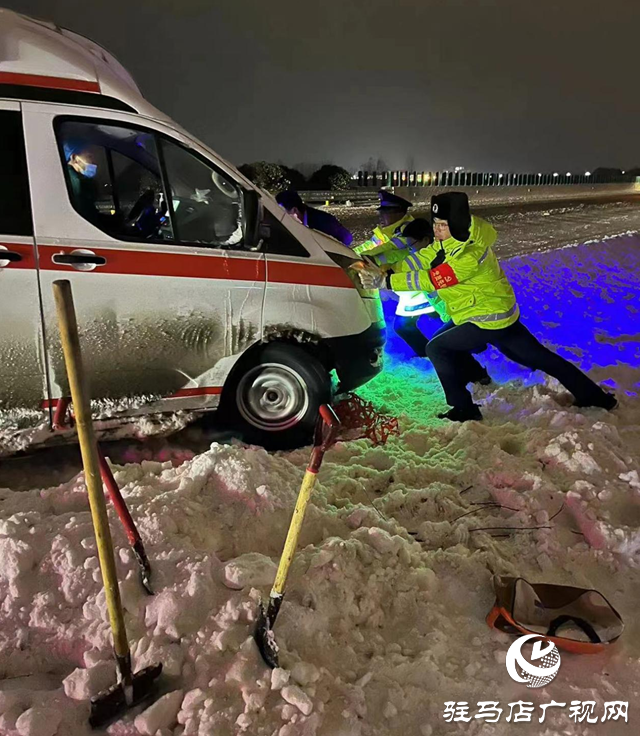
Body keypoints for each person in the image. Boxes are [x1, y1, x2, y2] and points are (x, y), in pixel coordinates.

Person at [360, 191, 616, 422]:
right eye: (435, 224)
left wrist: (387, 280)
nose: (436, 230)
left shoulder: (470, 251)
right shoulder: (450, 241)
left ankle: (464, 409)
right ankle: (595, 397)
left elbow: (435, 277)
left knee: (437, 347)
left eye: (442, 225)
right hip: (490, 315)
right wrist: (389, 267)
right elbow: (422, 259)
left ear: (456, 224)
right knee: (539, 357)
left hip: (486, 318)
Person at [353, 190, 439, 357]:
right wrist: (350, 255)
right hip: (404, 280)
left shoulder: (406, 230)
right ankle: (436, 349)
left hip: (411, 279)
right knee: (434, 314)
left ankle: (429, 354)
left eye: (385, 212)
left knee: (405, 324)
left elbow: (391, 249)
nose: (381, 216)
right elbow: (370, 246)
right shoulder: (387, 231)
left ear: (399, 213)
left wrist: (371, 259)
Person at [276, 189, 353, 246]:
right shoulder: (296, 225)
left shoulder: (322, 221)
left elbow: (347, 238)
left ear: (294, 210)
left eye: (282, 212)